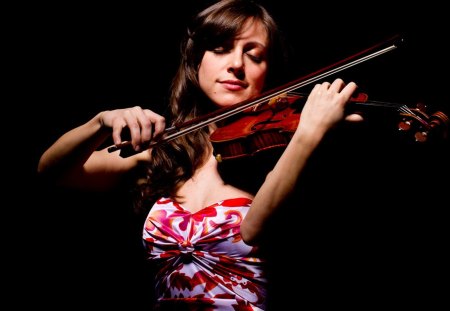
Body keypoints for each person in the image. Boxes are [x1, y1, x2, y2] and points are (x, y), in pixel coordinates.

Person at [37, 0, 363, 309]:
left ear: (269, 71)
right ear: (196, 60)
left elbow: (253, 230)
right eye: (220, 49)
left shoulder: (294, 146)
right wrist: (100, 122)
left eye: (255, 55)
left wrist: (306, 135)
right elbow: (53, 172)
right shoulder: (165, 151)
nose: (236, 64)